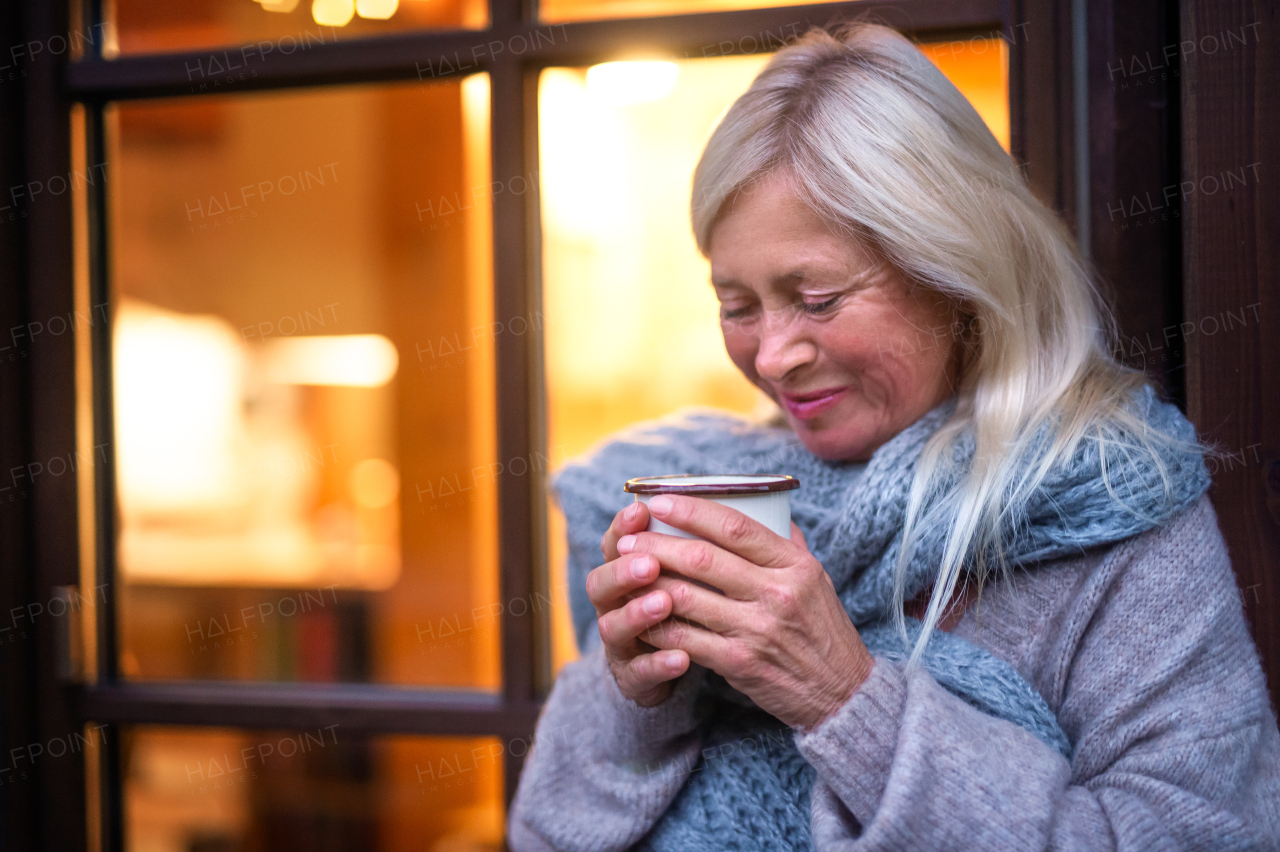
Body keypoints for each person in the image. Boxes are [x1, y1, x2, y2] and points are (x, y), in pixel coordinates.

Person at [507, 22, 1280, 851]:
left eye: (817, 299)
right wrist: (636, 703)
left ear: (955, 277)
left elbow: (1200, 836)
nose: (772, 354)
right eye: (737, 306)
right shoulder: (694, 490)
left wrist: (845, 697)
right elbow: (550, 831)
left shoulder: (1118, 511)